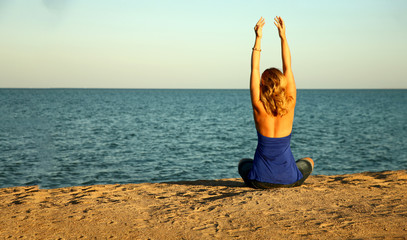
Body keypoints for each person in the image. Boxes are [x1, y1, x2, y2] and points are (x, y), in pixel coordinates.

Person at [238, 16, 314, 189]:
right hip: (288, 180)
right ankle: (285, 169)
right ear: (283, 84)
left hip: (259, 180)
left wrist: (258, 38)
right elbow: (288, 67)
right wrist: (283, 37)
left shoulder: (258, 105)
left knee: (243, 162)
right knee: (308, 161)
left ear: (262, 85)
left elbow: (254, 69)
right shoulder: (291, 103)